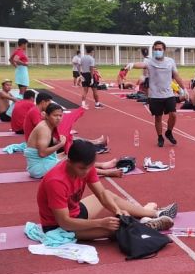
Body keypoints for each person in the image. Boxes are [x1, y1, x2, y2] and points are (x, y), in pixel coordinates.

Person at [36, 140, 177, 239]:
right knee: (115, 230)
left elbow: (102, 194)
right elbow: (64, 222)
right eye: (81, 168)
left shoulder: (87, 167)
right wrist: (100, 222)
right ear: (69, 162)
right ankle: (148, 225)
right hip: (59, 228)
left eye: (89, 167)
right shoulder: (56, 181)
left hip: (76, 212)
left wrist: (117, 210)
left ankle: (155, 213)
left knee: (109, 195)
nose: (85, 172)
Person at [24, 104, 119, 179]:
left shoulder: (49, 126)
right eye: (55, 115)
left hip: (43, 161)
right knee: (73, 163)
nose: (58, 118)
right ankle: (106, 172)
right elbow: (42, 153)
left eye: (60, 116)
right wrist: (60, 144)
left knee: (69, 156)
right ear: (47, 116)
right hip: (38, 168)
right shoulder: (44, 129)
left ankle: (102, 165)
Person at [125, 40, 186, 147]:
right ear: (153, 50)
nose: (158, 51)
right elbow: (142, 64)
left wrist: (183, 89)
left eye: (160, 49)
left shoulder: (170, 61)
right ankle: (160, 137)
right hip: (155, 95)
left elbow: (176, 75)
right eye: (156, 49)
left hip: (168, 94)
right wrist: (132, 64)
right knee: (158, 118)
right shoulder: (150, 61)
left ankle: (169, 132)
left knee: (173, 114)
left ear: (164, 50)